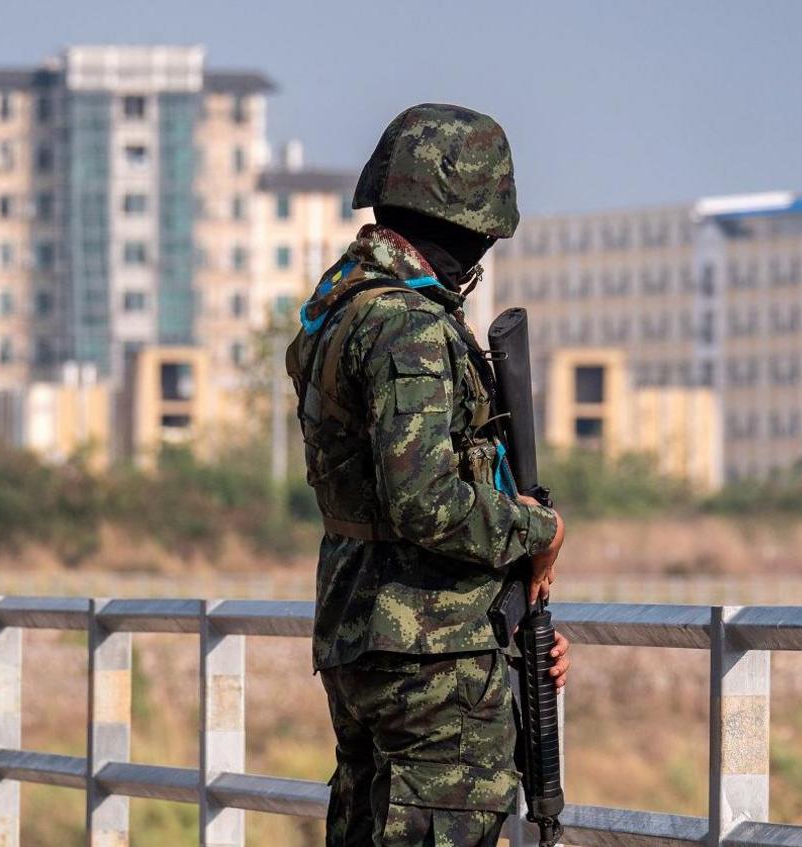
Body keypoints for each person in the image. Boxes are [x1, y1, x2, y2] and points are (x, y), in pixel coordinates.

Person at [286, 103, 570, 846]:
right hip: (428, 650)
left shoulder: (339, 308)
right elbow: (425, 501)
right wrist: (540, 529)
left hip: (366, 631)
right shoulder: (407, 326)